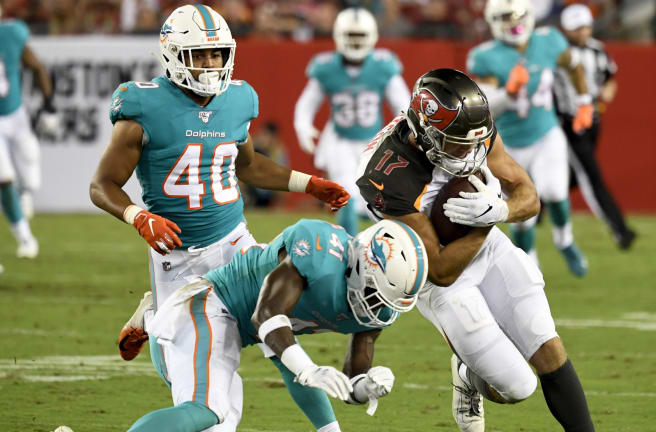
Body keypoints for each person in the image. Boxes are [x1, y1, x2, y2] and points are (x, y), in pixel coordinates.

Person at [89, 4, 349, 431]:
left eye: (217, 53)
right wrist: (138, 216)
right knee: (208, 416)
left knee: (279, 327)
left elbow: (247, 165)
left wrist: (309, 184)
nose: (211, 64)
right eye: (199, 54)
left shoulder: (239, 99)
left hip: (235, 244)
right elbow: (102, 184)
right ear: (173, 55)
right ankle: (156, 317)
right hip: (180, 260)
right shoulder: (143, 106)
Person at [356, 68, 594, 432]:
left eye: (472, 141)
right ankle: (469, 374)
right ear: (426, 132)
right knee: (518, 387)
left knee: (548, 346)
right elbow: (440, 269)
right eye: (456, 142)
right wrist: (484, 223)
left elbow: (528, 197)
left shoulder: (472, 128)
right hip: (435, 276)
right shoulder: (388, 173)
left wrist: (502, 210)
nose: (469, 151)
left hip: (488, 248)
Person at [125, 218, 428, 432]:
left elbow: (344, 384)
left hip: (239, 328)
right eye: (375, 294)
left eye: (386, 302)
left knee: (220, 426)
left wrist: (366, 388)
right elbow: (267, 315)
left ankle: (152, 315)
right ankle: (154, 315)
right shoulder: (321, 255)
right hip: (211, 304)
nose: (377, 307)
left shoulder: (379, 309)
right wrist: (308, 369)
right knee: (208, 409)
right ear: (361, 264)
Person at [467, 0, 591, 276]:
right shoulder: (485, 56)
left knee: (555, 191)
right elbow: (483, 106)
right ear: (493, 21)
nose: (513, 23)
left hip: (546, 132)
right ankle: (528, 262)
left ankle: (565, 240)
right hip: (508, 143)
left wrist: (584, 101)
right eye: (505, 18)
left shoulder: (549, 40)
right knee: (520, 213)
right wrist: (507, 94)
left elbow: (574, 65)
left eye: (517, 16)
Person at [294, 7, 411, 236]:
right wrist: (302, 125)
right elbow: (307, 103)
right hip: (340, 140)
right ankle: (348, 245)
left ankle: (385, 242)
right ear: (339, 35)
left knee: (378, 197)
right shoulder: (327, 67)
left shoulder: (383, 65)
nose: (356, 42)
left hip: (374, 140)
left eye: (360, 36)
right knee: (346, 193)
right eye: (351, 35)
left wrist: (406, 130)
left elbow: (403, 104)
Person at [554, 3, 636, 250]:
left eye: (586, 27)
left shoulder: (597, 50)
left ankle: (536, 205)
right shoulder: (557, 51)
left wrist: (607, 91)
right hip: (568, 122)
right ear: (566, 29)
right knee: (591, 175)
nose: (583, 32)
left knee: (572, 177)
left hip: (593, 120)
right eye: (577, 28)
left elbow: (610, 78)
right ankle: (620, 229)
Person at [0, 5, 56, 258]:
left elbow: (37, 67)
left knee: (30, 162)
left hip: (15, 113)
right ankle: (24, 237)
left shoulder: (12, 33)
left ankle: (26, 195)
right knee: (4, 178)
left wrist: (49, 105)